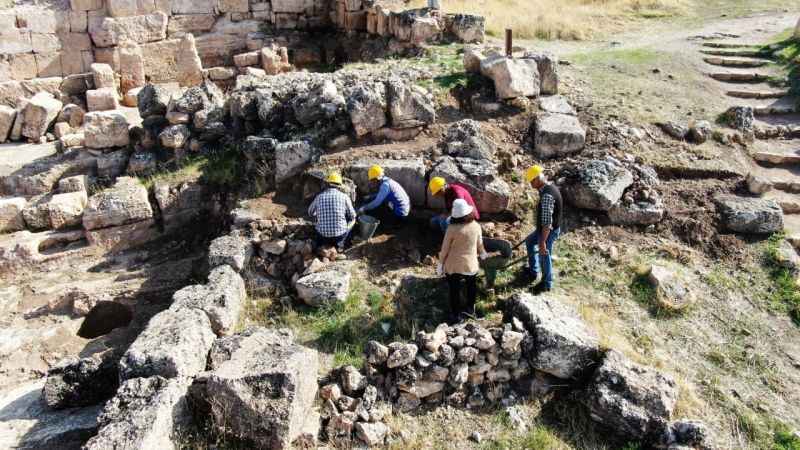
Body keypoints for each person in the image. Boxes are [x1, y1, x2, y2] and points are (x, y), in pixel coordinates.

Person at [437, 199, 488, 323]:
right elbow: (479, 245)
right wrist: (483, 254)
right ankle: (470, 309)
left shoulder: (451, 228)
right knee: (471, 286)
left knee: (454, 290)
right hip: (471, 265)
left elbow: (444, 249)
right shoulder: (476, 226)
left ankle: (456, 315)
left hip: (453, 266)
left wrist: (440, 264)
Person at [522, 165, 563, 294]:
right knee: (529, 241)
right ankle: (534, 271)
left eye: (531, 181)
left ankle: (546, 283)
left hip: (547, 232)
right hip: (544, 230)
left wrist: (542, 242)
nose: (530, 184)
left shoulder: (547, 196)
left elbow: (547, 223)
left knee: (544, 254)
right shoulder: (549, 188)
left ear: (537, 179)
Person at [308, 171, 356, 251]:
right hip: (339, 236)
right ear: (339, 185)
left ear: (328, 184)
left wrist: (318, 214)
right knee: (353, 220)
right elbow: (353, 216)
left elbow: (310, 212)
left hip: (322, 235)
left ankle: (321, 245)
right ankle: (341, 244)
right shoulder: (344, 196)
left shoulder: (319, 197)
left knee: (317, 223)